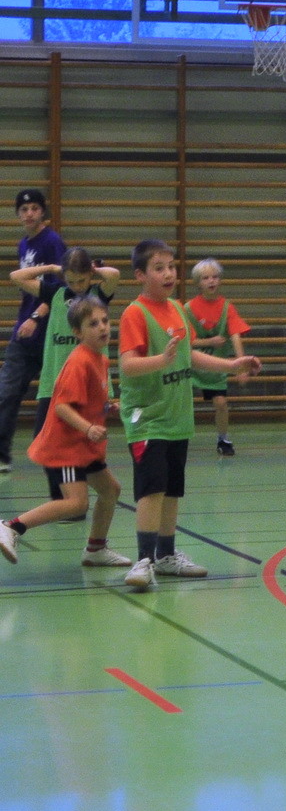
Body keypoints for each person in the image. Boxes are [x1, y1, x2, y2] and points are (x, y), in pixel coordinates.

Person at [117, 239, 262, 592]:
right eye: (159, 268)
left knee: (171, 490)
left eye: (171, 267)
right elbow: (128, 365)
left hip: (177, 418)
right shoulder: (135, 313)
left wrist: (232, 365)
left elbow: (190, 356)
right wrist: (161, 360)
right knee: (151, 489)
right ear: (140, 275)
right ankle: (144, 560)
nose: (169, 273)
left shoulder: (178, 310)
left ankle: (166, 555)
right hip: (147, 418)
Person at [0, 296, 127, 567]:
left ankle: (96, 549)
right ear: (78, 332)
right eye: (93, 324)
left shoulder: (100, 360)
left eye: (105, 321)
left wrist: (108, 407)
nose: (103, 327)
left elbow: (89, 399)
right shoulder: (79, 361)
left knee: (110, 490)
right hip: (67, 447)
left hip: (84, 447)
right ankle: (11, 526)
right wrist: (88, 427)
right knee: (76, 503)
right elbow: (62, 407)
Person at [10, 247, 121, 438]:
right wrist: (52, 268)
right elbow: (16, 277)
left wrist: (94, 269)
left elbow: (114, 275)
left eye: (82, 280)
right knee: (43, 440)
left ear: (89, 274)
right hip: (55, 383)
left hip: (90, 383)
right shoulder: (54, 293)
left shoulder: (98, 294)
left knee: (85, 442)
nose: (77, 286)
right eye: (71, 281)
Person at [0, 188, 67, 473]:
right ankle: (2, 455)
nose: (29, 214)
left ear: (43, 212)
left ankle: (61, 453)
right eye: (24, 210)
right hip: (24, 333)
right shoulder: (23, 245)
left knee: (57, 396)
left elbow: (61, 290)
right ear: (18, 214)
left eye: (34, 209)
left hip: (49, 334)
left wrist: (36, 317)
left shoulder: (52, 242)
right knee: (7, 392)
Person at [185, 258, 252, 456]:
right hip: (191, 366)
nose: (211, 281)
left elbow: (235, 335)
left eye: (215, 277)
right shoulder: (188, 309)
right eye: (206, 278)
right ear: (198, 282)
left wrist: (241, 366)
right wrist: (209, 342)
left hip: (215, 368)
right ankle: (176, 439)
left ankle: (223, 439)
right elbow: (185, 342)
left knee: (221, 403)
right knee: (180, 403)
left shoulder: (226, 307)